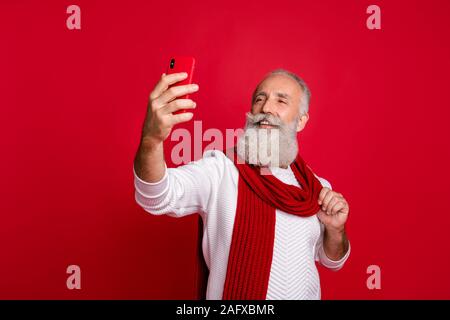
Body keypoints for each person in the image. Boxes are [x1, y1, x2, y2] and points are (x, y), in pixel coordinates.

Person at [133, 69, 351, 300]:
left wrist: (336, 231)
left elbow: (331, 261)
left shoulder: (315, 187)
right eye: (260, 99)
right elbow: (156, 196)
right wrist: (151, 140)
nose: (266, 108)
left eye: (281, 100)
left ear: (301, 121)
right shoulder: (221, 169)